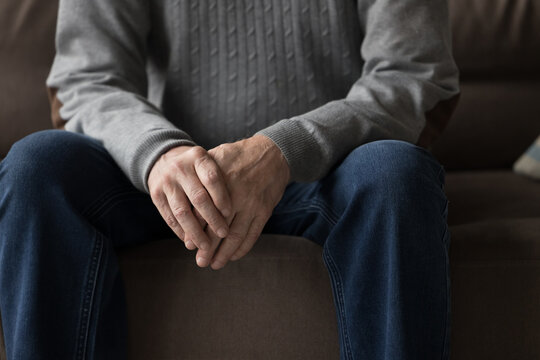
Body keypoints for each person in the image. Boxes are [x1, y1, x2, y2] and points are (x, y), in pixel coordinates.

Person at [0, 0, 459, 358]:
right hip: (164, 182)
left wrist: (282, 149)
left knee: (397, 175)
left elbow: (413, 74)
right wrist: (160, 152)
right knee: (35, 166)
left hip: (329, 170)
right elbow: (85, 80)